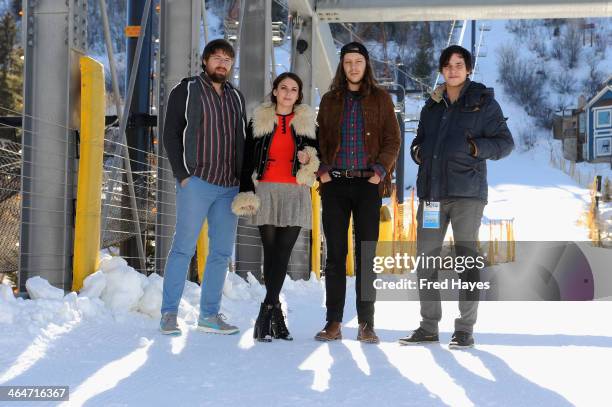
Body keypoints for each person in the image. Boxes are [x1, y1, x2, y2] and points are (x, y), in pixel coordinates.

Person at [399, 45, 514, 349]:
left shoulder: (483, 103)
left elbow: (505, 143)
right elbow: (418, 141)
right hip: (432, 196)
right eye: (447, 65)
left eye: (459, 64)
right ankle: (428, 326)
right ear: (441, 70)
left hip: (467, 195)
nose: (453, 70)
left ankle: (464, 329)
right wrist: (418, 152)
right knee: (425, 260)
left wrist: (476, 149)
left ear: (468, 69)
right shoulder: (432, 105)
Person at [159, 39, 247, 336]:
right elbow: (170, 133)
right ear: (206, 61)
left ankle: (208, 315)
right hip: (196, 182)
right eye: (217, 57)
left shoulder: (236, 97)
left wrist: (243, 182)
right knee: (182, 248)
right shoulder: (185, 90)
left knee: (221, 253)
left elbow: (242, 141)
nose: (222, 63)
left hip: (228, 187)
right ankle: (169, 313)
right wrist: (182, 174)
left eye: (227, 59)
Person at [314, 42, 401, 344]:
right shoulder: (329, 100)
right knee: (336, 256)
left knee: (366, 256)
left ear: (366, 65)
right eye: (348, 61)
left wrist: (380, 171)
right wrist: (322, 170)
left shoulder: (381, 99)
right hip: (334, 185)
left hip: (368, 186)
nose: (353, 67)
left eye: (358, 61)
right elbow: (317, 139)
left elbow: (393, 139)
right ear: (342, 66)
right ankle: (333, 322)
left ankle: (366, 323)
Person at [232, 72, 319, 342]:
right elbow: (247, 158)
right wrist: (246, 189)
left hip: (295, 192)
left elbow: (319, 155)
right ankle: (275, 314)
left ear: (298, 95)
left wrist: (309, 156)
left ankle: (265, 312)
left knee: (282, 253)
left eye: (294, 89)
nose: (288, 93)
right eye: (284, 88)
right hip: (267, 190)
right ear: (275, 91)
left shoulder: (307, 122)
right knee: (270, 254)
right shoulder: (260, 119)